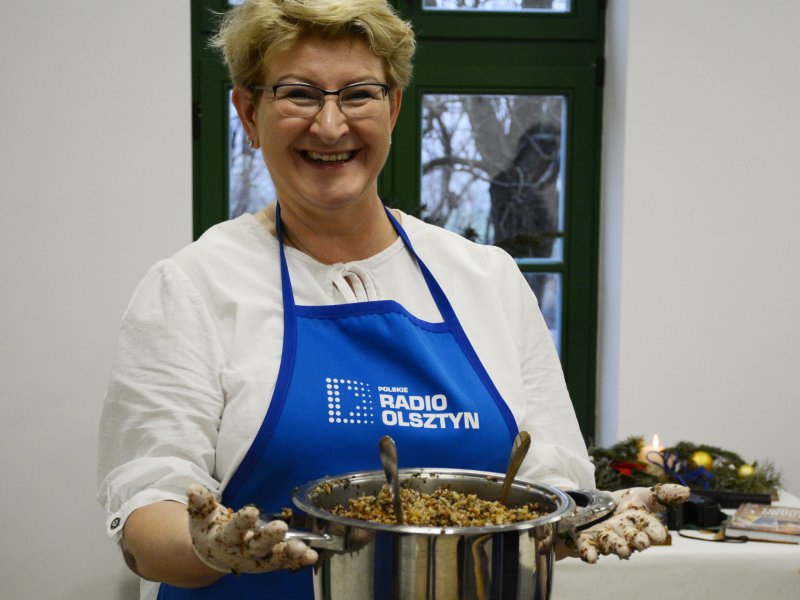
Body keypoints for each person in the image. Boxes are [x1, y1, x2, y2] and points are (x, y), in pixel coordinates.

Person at [96, 1, 687, 598]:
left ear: (394, 107)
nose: (331, 126)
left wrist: (581, 518)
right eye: (299, 94)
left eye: (358, 95)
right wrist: (211, 547)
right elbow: (149, 512)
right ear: (249, 113)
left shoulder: (487, 281)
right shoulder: (193, 288)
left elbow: (549, 487)